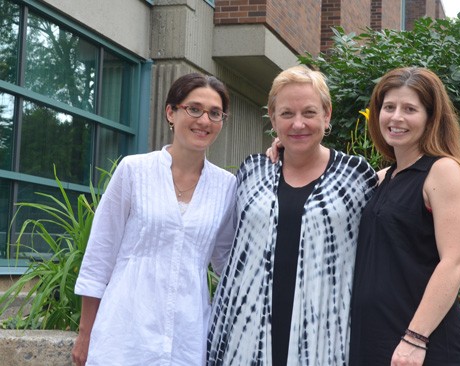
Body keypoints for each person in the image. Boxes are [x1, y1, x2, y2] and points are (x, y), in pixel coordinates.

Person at [207, 65, 377, 366]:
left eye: (309, 113)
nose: (298, 124)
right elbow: (231, 250)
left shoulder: (356, 176)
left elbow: (393, 203)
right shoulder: (253, 171)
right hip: (246, 331)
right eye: (286, 114)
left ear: (327, 115)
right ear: (273, 119)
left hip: (325, 331)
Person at [71, 73, 237, 366]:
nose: (204, 121)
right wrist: (85, 333)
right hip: (124, 333)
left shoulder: (227, 187)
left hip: (188, 336)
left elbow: (228, 263)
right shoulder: (134, 171)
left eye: (215, 113)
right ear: (171, 112)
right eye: (194, 109)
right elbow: (100, 254)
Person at [348, 67, 460, 366]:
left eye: (410, 109)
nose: (396, 117)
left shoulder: (443, 171)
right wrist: (287, 151)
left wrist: (415, 338)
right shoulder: (381, 178)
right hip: (373, 341)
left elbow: (455, 262)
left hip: (422, 348)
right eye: (389, 107)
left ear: (430, 118)